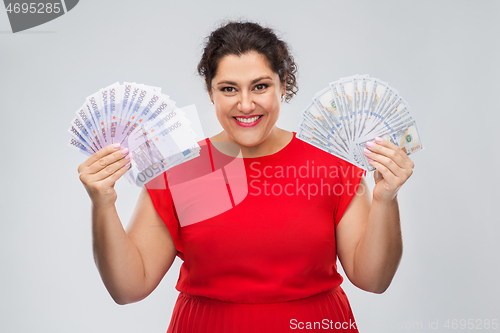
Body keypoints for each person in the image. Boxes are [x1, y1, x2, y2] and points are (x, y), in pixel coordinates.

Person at [77, 21, 415, 332]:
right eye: (228, 89)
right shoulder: (180, 168)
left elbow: (373, 279)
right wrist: (102, 204)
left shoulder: (332, 165)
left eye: (260, 86)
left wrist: (386, 197)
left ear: (284, 86)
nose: (245, 104)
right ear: (210, 92)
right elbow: (128, 288)